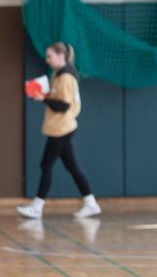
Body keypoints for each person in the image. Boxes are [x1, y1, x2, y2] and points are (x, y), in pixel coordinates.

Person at [17, 42, 101, 220]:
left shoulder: (66, 77)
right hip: (58, 126)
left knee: (46, 165)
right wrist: (45, 95)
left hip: (62, 127)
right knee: (71, 166)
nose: (47, 60)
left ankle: (37, 206)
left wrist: (43, 99)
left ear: (60, 55)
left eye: (50, 56)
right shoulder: (58, 75)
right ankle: (91, 202)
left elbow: (63, 105)